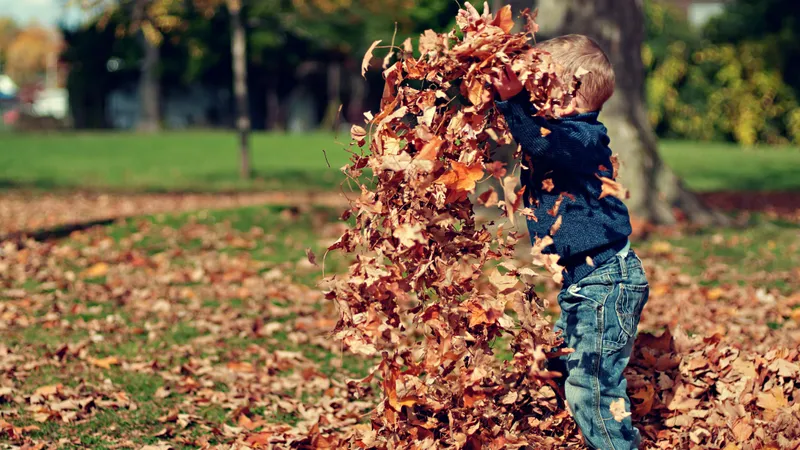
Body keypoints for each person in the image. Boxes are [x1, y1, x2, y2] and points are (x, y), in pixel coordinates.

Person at [491, 34, 650, 450]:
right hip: (586, 286)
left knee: (592, 389)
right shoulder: (562, 135)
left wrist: (513, 102)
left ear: (568, 93)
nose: (531, 95)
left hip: (606, 284)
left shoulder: (582, 137)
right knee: (558, 362)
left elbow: (541, 141)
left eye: (539, 85)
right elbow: (534, 135)